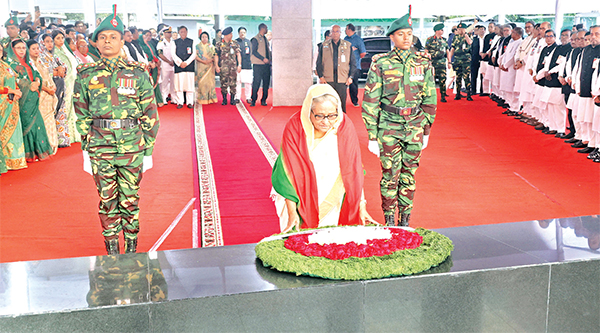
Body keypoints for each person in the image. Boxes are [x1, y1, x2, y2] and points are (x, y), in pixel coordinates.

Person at [73, 5, 160, 255]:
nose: (108, 41)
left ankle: (132, 248)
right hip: (100, 147)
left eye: (113, 37)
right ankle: (111, 248)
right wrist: (85, 150)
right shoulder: (86, 75)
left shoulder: (138, 73)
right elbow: (82, 113)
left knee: (130, 199)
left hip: (132, 146)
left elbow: (150, 114)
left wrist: (148, 151)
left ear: (123, 40)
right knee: (107, 200)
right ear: (96, 43)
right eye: (102, 37)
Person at [362, 6, 437, 227]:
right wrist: (372, 135)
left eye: (409, 34)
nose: (406, 38)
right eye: (401, 34)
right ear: (392, 37)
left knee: (409, 175)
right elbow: (371, 100)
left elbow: (430, 99)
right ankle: (388, 221)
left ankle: (404, 221)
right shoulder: (381, 62)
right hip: (388, 126)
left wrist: (426, 131)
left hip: (414, 125)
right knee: (389, 175)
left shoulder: (423, 62)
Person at [271, 84, 377, 232]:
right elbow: (287, 173)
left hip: (333, 196)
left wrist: (362, 207)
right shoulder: (295, 127)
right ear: (309, 111)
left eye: (332, 115)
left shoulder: (344, 127)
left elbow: (354, 171)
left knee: (327, 242)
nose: (326, 122)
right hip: (298, 197)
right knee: (297, 240)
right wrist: (292, 212)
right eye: (319, 116)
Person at [7, 39, 53, 162]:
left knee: (38, 123)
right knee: (28, 124)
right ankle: (29, 153)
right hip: (24, 100)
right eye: (18, 48)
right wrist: (29, 85)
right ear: (12, 50)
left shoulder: (28, 63)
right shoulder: (11, 65)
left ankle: (39, 151)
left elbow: (36, 74)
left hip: (33, 98)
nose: (22, 50)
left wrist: (37, 82)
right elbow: (15, 81)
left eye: (23, 48)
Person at [316, 24, 356, 113]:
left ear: (340, 33)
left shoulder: (347, 45)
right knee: (328, 103)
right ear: (330, 33)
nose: (335, 33)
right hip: (328, 79)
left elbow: (353, 63)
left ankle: (342, 123)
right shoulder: (324, 45)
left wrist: (351, 76)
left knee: (341, 103)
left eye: (337, 31)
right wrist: (321, 76)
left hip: (342, 79)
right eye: (333, 31)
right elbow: (319, 63)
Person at [0, 42, 27, 171]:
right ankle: (5, 160)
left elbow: (13, 80)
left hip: (12, 102)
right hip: (3, 104)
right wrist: (10, 91)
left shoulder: (5, 65)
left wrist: (17, 91)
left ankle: (15, 160)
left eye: (0, 50)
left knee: (15, 131)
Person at [29, 38, 59, 154]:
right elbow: (34, 81)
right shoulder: (30, 64)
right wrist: (47, 89)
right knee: (42, 121)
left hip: (49, 95)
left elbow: (47, 76)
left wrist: (53, 87)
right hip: (40, 95)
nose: (36, 51)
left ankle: (51, 145)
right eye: (33, 49)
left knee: (50, 120)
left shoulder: (40, 62)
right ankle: (43, 147)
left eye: (37, 48)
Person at [53, 29, 81, 143]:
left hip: (72, 81)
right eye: (57, 38)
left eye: (62, 38)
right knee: (65, 107)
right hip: (62, 83)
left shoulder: (65, 50)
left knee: (72, 107)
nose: (61, 40)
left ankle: (74, 135)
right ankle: (65, 136)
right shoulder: (53, 53)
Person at [171, 26, 196, 109]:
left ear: (187, 32)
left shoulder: (192, 41)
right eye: (181, 32)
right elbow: (173, 54)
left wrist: (186, 62)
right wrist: (180, 63)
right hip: (179, 67)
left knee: (189, 85)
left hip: (189, 66)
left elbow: (194, 54)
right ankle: (180, 102)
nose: (183, 33)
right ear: (179, 33)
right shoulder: (175, 42)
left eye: (184, 31)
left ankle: (190, 102)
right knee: (179, 85)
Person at [215, 27, 241, 105]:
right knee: (223, 83)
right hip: (223, 67)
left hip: (233, 67)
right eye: (230, 34)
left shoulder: (235, 43)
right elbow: (216, 55)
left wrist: (239, 64)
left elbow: (238, 54)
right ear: (226, 35)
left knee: (233, 83)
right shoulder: (219, 44)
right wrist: (216, 65)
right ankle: (224, 99)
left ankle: (232, 99)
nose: (232, 35)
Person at [448, 22, 473, 101]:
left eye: (462, 29)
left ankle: (469, 94)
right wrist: (449, 60)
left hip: (466, 59)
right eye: (458, 29)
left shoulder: (469, 36)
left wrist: (466, 35)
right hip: (457, 59)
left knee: (466, 77)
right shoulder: (455, 37)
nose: (460, 31)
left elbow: (470, 42)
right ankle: (458, 94)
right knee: (458, 77)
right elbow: (452, 48)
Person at [344, 23, 366, 107]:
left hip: (355, 66)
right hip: (345, 65)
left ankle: (355, 101)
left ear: (350, 30)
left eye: (346, 29)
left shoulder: (358, 39)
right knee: (343, 84)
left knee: (353, 85)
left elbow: (363, 53)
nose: (345, 31)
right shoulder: (345, 39)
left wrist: (355, 57)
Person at [425, 23, 448, 102]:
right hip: (432, 62)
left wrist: (449, 62)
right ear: (437, 31)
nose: (442, 31)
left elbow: (447, 50)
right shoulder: (430, 39)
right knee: (431, 79)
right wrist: (427, 61)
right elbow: (426, 51)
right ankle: (430, 96)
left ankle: (443, 95)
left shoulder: (444, 40)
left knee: (443, 79)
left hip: (442, 62)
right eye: (441, 30)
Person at [250, 23, 271, 107]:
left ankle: (264, 100)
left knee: (266, 83)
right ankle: (253, 99)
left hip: (266, 65)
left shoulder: (265, 39)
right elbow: (254, 52)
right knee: (256, 83)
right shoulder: (255, 39)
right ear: (262, 29)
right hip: (258, 65)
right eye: (266, 28)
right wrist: (263, 58)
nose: (267, 30)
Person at [140, 30, 163, 107]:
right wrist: (151, 62)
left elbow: (154, 54)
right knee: (150, 84)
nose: (148, 37)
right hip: (148, 66)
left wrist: (157, 61)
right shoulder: (141, 45)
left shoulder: (150, 44)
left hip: (155, 65)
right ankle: (150, 101)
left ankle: (158, 99)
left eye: (150, 35)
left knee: (156, 82)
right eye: (146, 35)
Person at [195, 31, 218, 104]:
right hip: (201, 66)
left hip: (210, 66)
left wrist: (211, 60)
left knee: (210, 82)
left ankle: (211, 98)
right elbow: (195, 56)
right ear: (200, 38)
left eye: (206, 37)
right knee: (202, 82)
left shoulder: (211, 46)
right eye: (203, 37)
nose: (204, 39)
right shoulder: (197, 46)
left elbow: (215, 55)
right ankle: (202, 98)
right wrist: (203, 61)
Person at [157, 26, 176, 105]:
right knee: (164, 82)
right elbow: (160, 54)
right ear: (164, 33)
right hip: (165, 64)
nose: (169, 34)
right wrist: (168, 61)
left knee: (173, 82)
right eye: (168, 32)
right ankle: (163, 98)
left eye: (170, 32)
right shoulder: (161, 43)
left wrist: (174, 61)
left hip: (174, 64)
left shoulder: (174, 42)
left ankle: (173, 98)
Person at [235, 27, 253, 104]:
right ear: (238, 33)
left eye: (244, 32)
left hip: (248, 65)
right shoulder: (235, 42)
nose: (242, 34)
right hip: (238, 65)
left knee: (248, 82)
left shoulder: (249, 42)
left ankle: (248, 97)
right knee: (238, 82)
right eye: (241, 32)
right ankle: (237, 97)